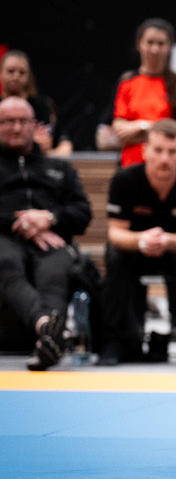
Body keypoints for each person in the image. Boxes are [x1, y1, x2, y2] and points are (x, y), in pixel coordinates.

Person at [98, 120, 176, 366]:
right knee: (114, 255)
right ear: (145, 150)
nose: (164, 158)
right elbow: (116, 233)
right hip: (135, 250)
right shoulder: (124, 179)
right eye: (158, 150)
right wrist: (142, 240)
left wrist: (167, 240)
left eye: (172, 151)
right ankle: (112, 343)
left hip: (175, 250)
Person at [0, 96, 92, 370]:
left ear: (35, 125)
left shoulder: (59, 168)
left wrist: (50, 218)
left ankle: (47, 340)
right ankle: (48, 329)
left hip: (52, 239)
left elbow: (83, 213)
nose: (16, 128)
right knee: (7, 262)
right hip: (4, 239)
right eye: (8, 122)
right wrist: (23, 223)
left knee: (55, 270)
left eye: (23, 121)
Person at [111, 19, 176, 168]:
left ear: (169, 47)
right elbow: (119, 129)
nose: (155, 49)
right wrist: (157, 128)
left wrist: (142, 128)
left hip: (170, 165)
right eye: (150, 42)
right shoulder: (126, 83)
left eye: (161, 44)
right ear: (139, 44)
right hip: (131, 164)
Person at [0, 50, 72, 156]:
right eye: (10, 71)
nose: (16, 76)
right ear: (1, 73)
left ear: (29, 76)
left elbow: (48, 143)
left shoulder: (42, 106)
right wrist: (30, 139)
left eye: (22, 72)